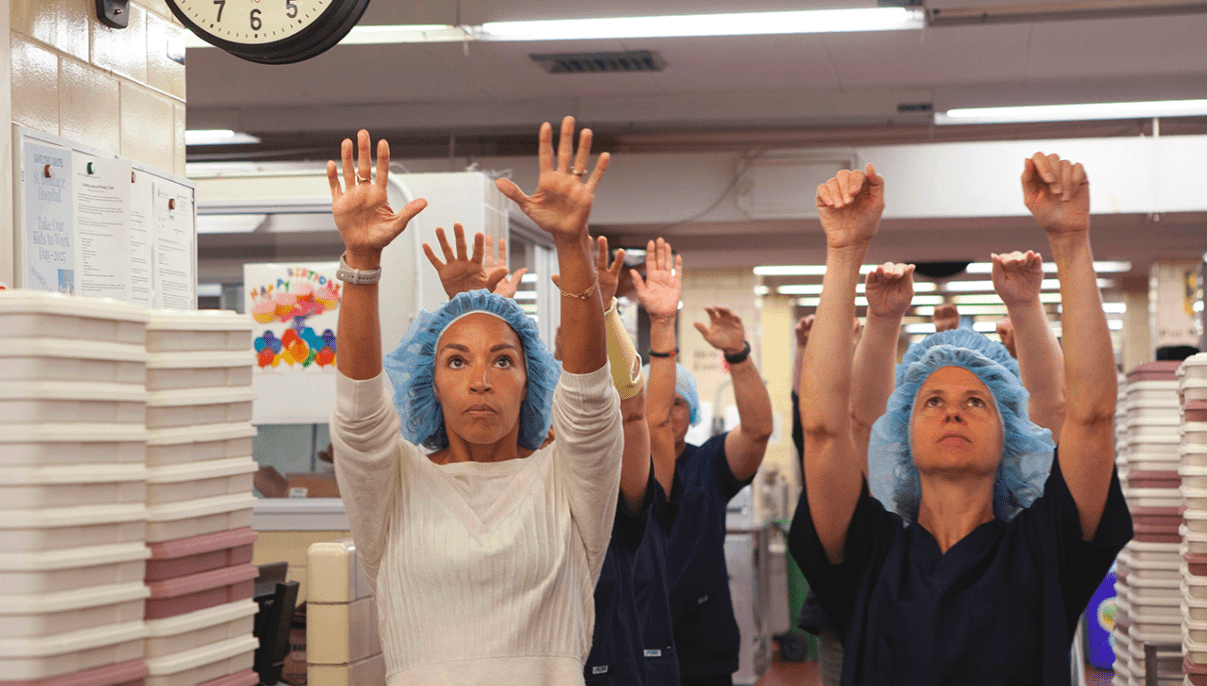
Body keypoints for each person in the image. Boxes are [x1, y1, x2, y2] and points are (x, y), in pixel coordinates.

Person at [788, 155, 1131, 684]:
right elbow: (825, 428)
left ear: (1010, 435)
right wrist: (844, 251)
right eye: (932, 401)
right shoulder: (867, 554)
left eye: (976, 402)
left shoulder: (1045, 550)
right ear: (899, 431)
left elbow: (1089, 416)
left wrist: (1071, 241)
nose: (952, 408)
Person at [329, 117, 625, 684]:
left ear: (531, 379)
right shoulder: (394, 488)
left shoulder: (565, 481)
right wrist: (362, 264)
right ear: (430, 382)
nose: (480, 379)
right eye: (456, 361)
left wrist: (571, 246)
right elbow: (359, 416)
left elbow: (589, 401)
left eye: (503, 360)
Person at [633, 238, 775, 686]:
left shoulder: (709, 464)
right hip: (634, 636)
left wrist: (739, 357)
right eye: (659, 401)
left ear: (691, 412)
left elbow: (757, 431)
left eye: (678, 403)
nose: (666, 413)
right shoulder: (624, 473)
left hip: (701, 649)